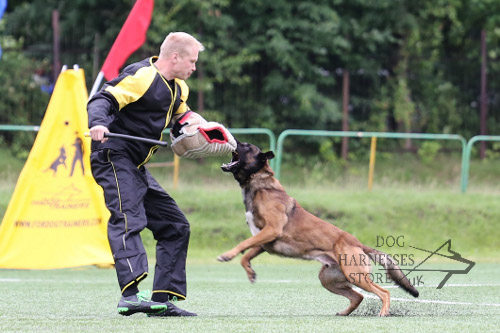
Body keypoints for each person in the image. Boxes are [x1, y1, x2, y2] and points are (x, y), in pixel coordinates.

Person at [87, 32, 204, 317]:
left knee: (175, 225)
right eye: (192, 60)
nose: (194, 67)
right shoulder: (142, 76)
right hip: (112, 153)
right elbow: (101, 100)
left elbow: (182, 117)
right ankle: (130, 295)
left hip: (136, 164)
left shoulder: (180, 88)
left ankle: (161, 301)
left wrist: (200, 127)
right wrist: (99, 123)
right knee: (128, 217)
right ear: (174, 57)